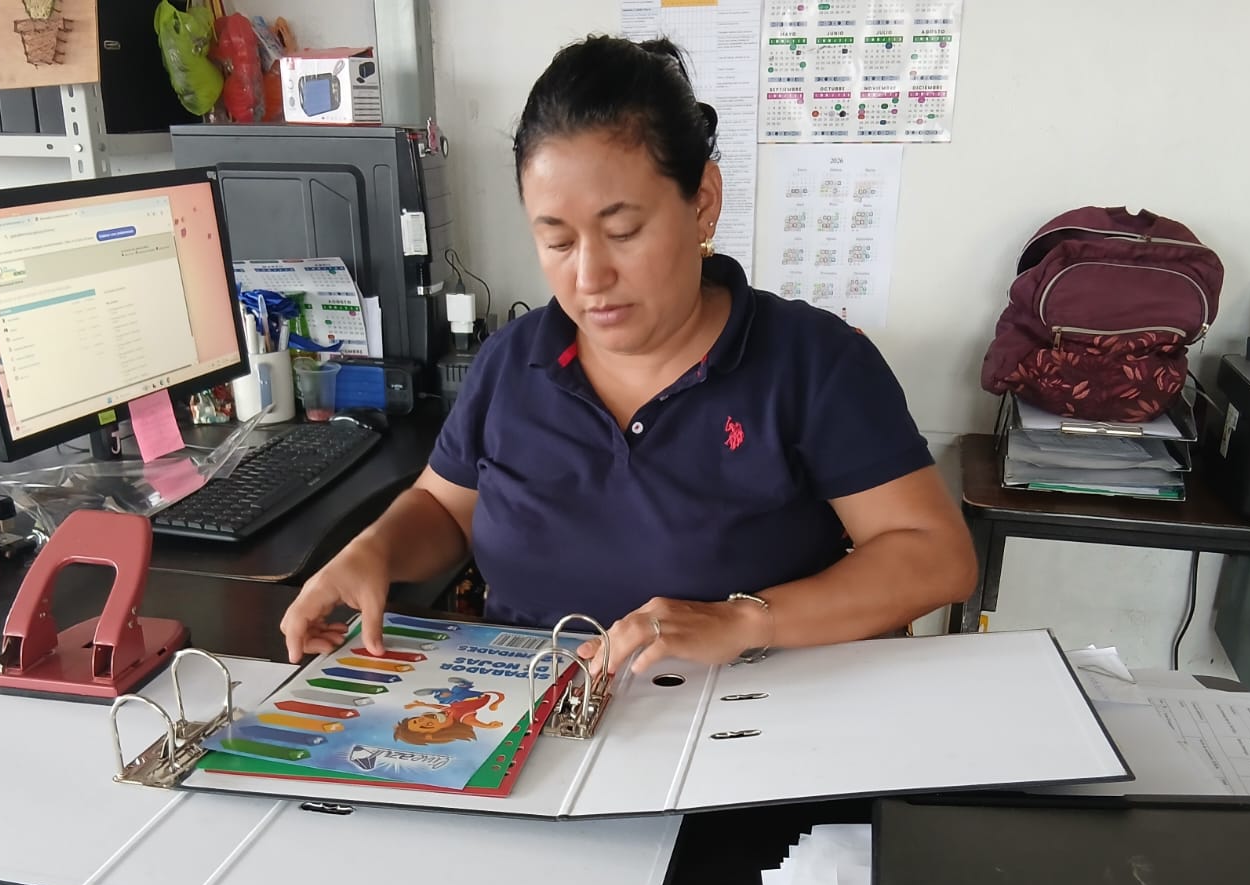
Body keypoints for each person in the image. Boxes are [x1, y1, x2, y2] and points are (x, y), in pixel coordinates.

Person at [281, 34, 977, 677]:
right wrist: (374, 550)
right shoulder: (511, 362)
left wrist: (745, 621)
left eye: (623, 232)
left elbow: (936, 556)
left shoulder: (810, 363)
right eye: (557, 241)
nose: (589, 277)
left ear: (702, 203)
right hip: (525, 713)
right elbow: (445, 507)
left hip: (738, 721)